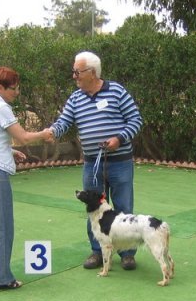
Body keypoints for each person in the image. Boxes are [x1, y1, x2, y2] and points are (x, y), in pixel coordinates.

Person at [49, 51, 143, 270]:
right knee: (93, 209)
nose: (74, 76)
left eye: (77, 72)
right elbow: (64, 121)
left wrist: (119, 139)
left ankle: (127, 253)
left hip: (120, 161)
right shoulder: (76, 97)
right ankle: (97, 252)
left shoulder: (117, 91)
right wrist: (52, 131)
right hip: (93, 163)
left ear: (91, 72)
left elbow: (136, 120)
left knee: (123, 208)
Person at [0, 66, 53, 290]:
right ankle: (2, 278)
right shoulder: (1, 107)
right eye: (13, 88)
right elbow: (25, 137)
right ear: (0, 88)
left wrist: (8, 151)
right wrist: (44, 133)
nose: (16, 92)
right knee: (3, 225)